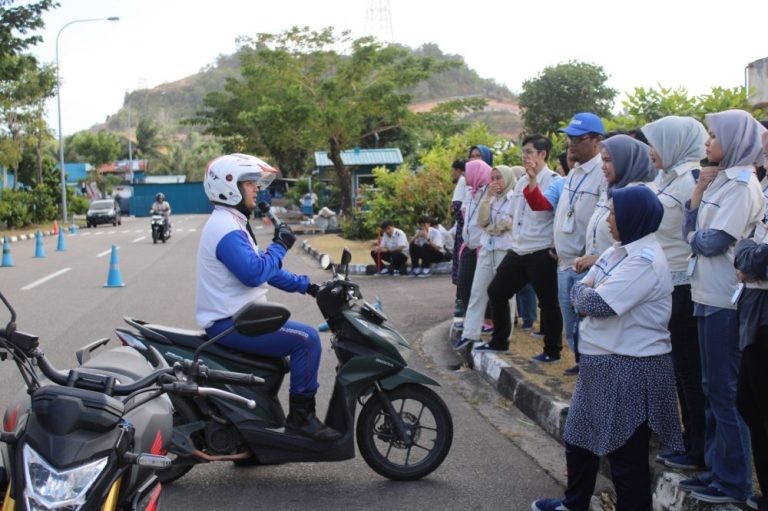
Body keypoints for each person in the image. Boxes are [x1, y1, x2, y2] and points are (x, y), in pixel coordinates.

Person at [532, 186, 683, 511]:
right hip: (606, 363)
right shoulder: (618, 251)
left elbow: (595, 301)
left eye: (614, 213)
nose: (609, 219)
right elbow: (584, 287)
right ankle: (574, 504)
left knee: (625, 456)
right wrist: (583, 291)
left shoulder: (643, 261)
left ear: (632, 218)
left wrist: (583, 292)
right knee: (579, 439)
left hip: (631, 367)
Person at [196, 153, 340, 442]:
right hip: (231, 322)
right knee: (307, 340)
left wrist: (308, 286)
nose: (257, 189)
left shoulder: (232, 223)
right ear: (229, 186)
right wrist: (280, 245)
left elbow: (265, 270)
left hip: (238, 317)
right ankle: (302, 419)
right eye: (250, 183)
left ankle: (256, 425)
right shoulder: (225, 227)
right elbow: (255, 272)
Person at [681, 110, 765, 505]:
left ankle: (733, 483)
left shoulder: (742, 184)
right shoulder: (717, 179)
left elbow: (713, 241)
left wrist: (694, 232)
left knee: (725, 392)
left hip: (723, 298)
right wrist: (696, 196)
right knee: (710, 387)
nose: (707, 143)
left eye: (714, 136)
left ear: (733, 141)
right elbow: (694, 230)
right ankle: (717, 471)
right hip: (705, 291)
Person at [641, 116, 708, 471]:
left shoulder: (693, 180)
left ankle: (699, 447)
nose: (651, 151)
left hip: (685, 283)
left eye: (656, 142)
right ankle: (686, 437)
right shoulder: (664, 178)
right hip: (664, 281)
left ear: (675, 143)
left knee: (688, 369)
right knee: (678, 368)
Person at [524, 113, 606, 373]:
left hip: (586, 264)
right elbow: (542, 205)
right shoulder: (571, 175)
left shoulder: (603, 174)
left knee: (588, 325)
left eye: (578, 138)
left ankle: (590, 371)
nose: (571, 143)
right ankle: (582, 366)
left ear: (596, 140)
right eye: (569, 137)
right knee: (571, 324)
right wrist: (532, 179)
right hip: (564, 262)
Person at [485, 134, 563, 361]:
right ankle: (499, 342)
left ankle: (552, 351)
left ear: (542, 154)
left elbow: (543, 208)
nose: (525, 156)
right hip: (518, 249)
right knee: (496, 291)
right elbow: (514, 214)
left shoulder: (555, 181)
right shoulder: (520, 181)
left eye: (530, 152)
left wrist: (532, 181)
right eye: (524, 152)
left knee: (548, 303)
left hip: (540, 250)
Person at [734, 123, 768, 511]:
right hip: (754, 304)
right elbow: (748, 248)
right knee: (749, 402)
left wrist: (748, 255)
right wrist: (749, 254)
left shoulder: (748, 187)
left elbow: (757, 255)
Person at [454, 165, 517, 350]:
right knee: (477, 292)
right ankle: (469, 333)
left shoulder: (513, 198)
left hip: (504, 250)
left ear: (507, 179)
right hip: (487, 248)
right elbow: (481, 221)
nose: (495, 182)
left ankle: (504, 335)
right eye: (493, 178)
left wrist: (492, 228)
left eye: (499, 178)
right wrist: (488, 197)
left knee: (505, 296)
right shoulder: (489, 198)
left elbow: (508, 224)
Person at [455, 159, 492, 320]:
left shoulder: (490, 193)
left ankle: (487, 318)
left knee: (482, 286)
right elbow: (464, 213)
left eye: (468, 171)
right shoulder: (470, 191)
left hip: (482, 247)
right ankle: (469, 316)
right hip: (468, 245)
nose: (465, 175)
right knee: (464, 283)